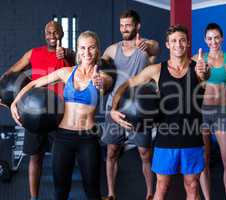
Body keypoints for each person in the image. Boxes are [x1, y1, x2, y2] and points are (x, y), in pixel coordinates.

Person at [110, 25, 209, 200]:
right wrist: (113, 110)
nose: (178, 44)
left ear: (188, 43)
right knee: (162, 186)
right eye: (174, 41)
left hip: (191, 136)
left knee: (192, 186)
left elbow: (204, 77)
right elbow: (126, 85)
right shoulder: (156, 70)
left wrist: (205, 73)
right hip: (166, 137)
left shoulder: (199, 68)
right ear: (168, 44)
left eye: (182, 40)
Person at [10, 31, 112, 200]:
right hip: (63, 137)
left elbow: (103, 88)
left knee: (92, 191)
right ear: (78, 50)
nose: (87, 52)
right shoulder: (66, 73)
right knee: (60, 191)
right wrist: (15, 102)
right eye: (83, 48)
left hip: (88, 139)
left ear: (97, 50)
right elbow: (35, 83)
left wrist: (99, 84)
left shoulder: (102, 77)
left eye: (91, 48)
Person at [0, 21, 75, 200]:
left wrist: (67, 55)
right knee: (35, 157)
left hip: (59, 114)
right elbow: (11, 72)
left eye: (55, 32)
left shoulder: (67, 53)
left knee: (60, 161)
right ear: (44, 33)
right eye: (49, 32)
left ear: (62, 33)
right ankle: (34, 198)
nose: (52, 36)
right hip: (34, 113)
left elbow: (78, 66)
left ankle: (60, 196)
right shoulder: (33, 53)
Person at [101, 9, 159, 200]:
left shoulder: (145, 49)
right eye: (122, 25)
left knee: (144, 153)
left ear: (137, 26)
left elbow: (156, 48)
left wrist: (148, 44)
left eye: (128, 25)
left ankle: (150, 193)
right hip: (115, 107)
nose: (124, 29)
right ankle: (111, 193)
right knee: (112, 151)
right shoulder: (112, 49)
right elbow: (100, 66)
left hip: (139, 108)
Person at [192, 23, 226, 200]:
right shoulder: (197, 59)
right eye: (210, 38)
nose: (213, 41)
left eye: (217, 37)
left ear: (222, 38)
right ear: (205, 40)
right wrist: (198, 71)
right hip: (202, 113)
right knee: (203, 160)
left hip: (222, 113)